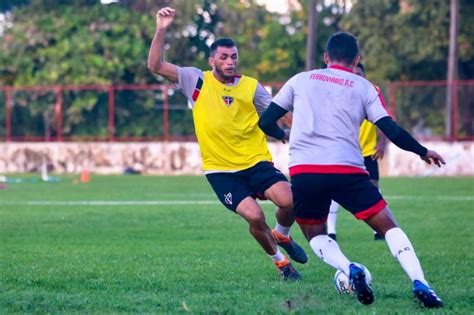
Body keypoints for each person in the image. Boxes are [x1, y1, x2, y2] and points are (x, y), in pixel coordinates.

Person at [258, 31, 445, 307]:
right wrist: (422, 151)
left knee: (316, 234)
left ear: (325, 57)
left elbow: (266, 122)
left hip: (306, 171)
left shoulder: (300, 80)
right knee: (388, 226)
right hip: (348, 170)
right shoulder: (365, 87)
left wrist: (284, 133)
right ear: (357, 59)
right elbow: (391, 130)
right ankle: (421, 283)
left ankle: (349, 268)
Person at [147, 7, 307, 280]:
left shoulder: (250, 86)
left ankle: (282, 233)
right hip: (220, 170)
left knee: (290, 200)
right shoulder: (196, 80)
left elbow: (280, 112)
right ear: (212, 60)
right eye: (224, 57)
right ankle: (282, 264)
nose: (230, 61)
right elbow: (155, 66)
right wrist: (161, 28)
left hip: (256, 161)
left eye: (234, 57)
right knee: (255, 217)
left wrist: (303, 131)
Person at [327, 62, 388, 241]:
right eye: (352, 73)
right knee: (336, 188)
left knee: (373, 186)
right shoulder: (337, 90)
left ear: (364, 75)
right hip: (343, 149)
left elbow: (383, 118)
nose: (355, 76)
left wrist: (382, 143)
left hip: (367, 150)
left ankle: (379, 230)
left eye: (359, 74)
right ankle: (330, 231)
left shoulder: (372, 90)